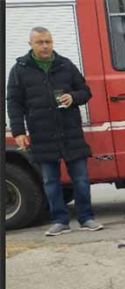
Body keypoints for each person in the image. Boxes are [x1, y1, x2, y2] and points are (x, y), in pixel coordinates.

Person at [6, 26, 103, 236]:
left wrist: (73, 97)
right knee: (50, 181)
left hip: (70, 133)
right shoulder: (19, 70)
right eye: (40, 42)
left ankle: (87, 218)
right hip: (42, 134)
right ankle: (60, 221)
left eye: (48, 42)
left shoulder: (65, 65)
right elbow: (14, 103)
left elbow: (85, 91)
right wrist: (18, 131)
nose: (45, 46)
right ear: (30, 44)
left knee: (81, 180)